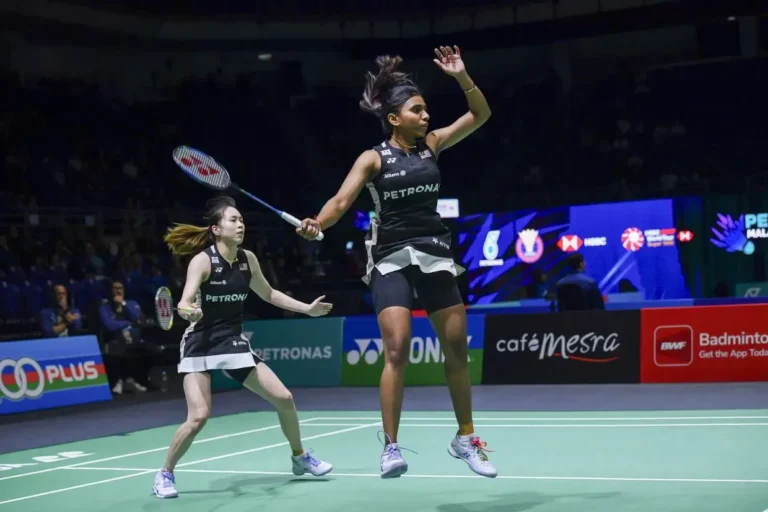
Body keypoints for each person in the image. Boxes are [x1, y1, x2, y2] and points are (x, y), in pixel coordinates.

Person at [296, 46, 496, 479]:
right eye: (416, 110)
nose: (426, 116)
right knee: (397, 347)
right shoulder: (372, 158)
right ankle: (390, 446)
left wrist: (462, 76)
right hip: (390, 255)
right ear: (394, 118)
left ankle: (465, 438)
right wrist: (318, 223)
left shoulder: (432, 144)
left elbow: (480, 115)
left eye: (425, 110)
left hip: (434, 252)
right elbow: (340, 201)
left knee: (457, 346)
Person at [152, 195, 334, 499]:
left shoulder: (248, 259)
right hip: (200, 342)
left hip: (231, 340)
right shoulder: (203, 261)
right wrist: (188, 311)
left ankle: (300, 457)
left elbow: (269, 294)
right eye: (233, 220)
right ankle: (165, 474)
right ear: (216, 229)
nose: (240, 225)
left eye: (241, 220)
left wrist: (307, 309)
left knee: (284, 398)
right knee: (198, 416)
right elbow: (184, 301)